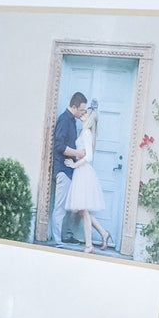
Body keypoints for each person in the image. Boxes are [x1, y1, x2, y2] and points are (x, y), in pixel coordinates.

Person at [65, 105, 112, 253]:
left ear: (89, 118)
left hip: (83, 173)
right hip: (81, 173)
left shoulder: (86, 132)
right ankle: (103, 233)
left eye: (85, 114)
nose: (82, 114)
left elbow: (89, 157)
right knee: (81, 210)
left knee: (83, 211)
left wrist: (74, 165)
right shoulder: (84, 132)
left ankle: (89, 246)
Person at [50, 91, 88, 245]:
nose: (83, 113)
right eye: (81, 110)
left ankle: (64, 237)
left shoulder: (72, 120)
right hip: (63, 170)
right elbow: (59, 146)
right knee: (59, 207)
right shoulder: (64, 120)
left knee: (67, 207)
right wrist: (77, 153)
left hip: (70, 170)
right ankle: (57, 241)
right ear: (74, 106)